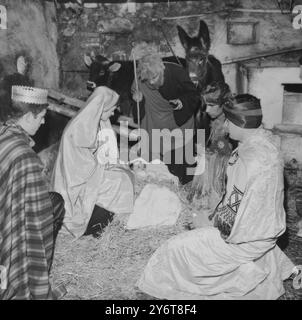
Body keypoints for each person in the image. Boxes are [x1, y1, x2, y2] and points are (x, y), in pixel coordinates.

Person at [136, 93, 295, 300]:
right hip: (267, 235)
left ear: (240, 122)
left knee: (173, 250)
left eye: (229, 121)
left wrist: (204, 223)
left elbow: (231, 212)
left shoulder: (246, 158)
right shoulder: (270, 148)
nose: (226, 126)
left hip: (244, 242)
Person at [0, 85, 65, 300]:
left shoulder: (4, 133)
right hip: (7, 229)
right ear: (28, 116)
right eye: (42, 116)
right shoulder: (25, 157)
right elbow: (35, 218)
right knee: (54, 205)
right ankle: (29, 279)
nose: (43, 122)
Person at [51, 86, 134, 239]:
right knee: (117, 182)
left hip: (90, 173)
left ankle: (110, 220)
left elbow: (105, 153)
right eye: (112, 109)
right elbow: (79, 164)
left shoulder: (100, 122)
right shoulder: (77, 129)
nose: (114, 112)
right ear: (101, 109)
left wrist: (114, 164)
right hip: (75, 183)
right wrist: (104, 167)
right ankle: (96, 223)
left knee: (124, 176)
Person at [132, 52, 200, 185]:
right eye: (147, 79)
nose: (151, 82)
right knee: (157, 172)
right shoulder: (139, 79)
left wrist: (182, 102)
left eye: (154, 77)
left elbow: (194, 95)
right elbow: (138, 111)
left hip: (179, 126)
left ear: (161, 69)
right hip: (154, 127)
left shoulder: (176, 72)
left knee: (181, 168)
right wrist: (138, 101)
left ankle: (183, 191)